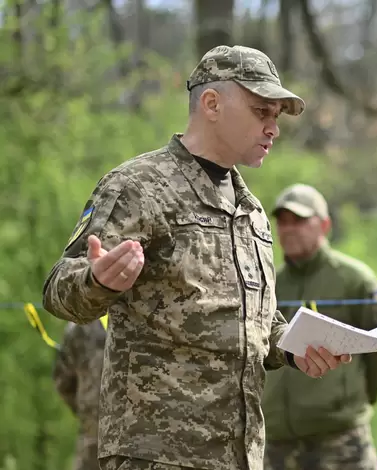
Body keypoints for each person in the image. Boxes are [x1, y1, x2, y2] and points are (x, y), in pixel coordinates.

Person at [41, 45, 350, 470]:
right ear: (211, 104)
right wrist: (99, 281)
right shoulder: (138, 187)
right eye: (263, 111)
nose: (273, 128)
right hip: (157, 454)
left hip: (239, 454)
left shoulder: (252, 210)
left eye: (276, 116)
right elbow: (60, 289)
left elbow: (253, 326)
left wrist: (294, 347)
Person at [262, 184, 377, 470]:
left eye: (299, 220)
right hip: (276, 444)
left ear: (324, 224)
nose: (288, 229)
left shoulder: (354, 279)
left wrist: (351, 403)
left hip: (340, 442)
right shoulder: (268, 283)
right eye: (282, 221)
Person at [53, 319, 107, 470]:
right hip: (146, 440)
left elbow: (63, 382)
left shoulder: (79, 322)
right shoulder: (151, 312)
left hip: (93, 436)